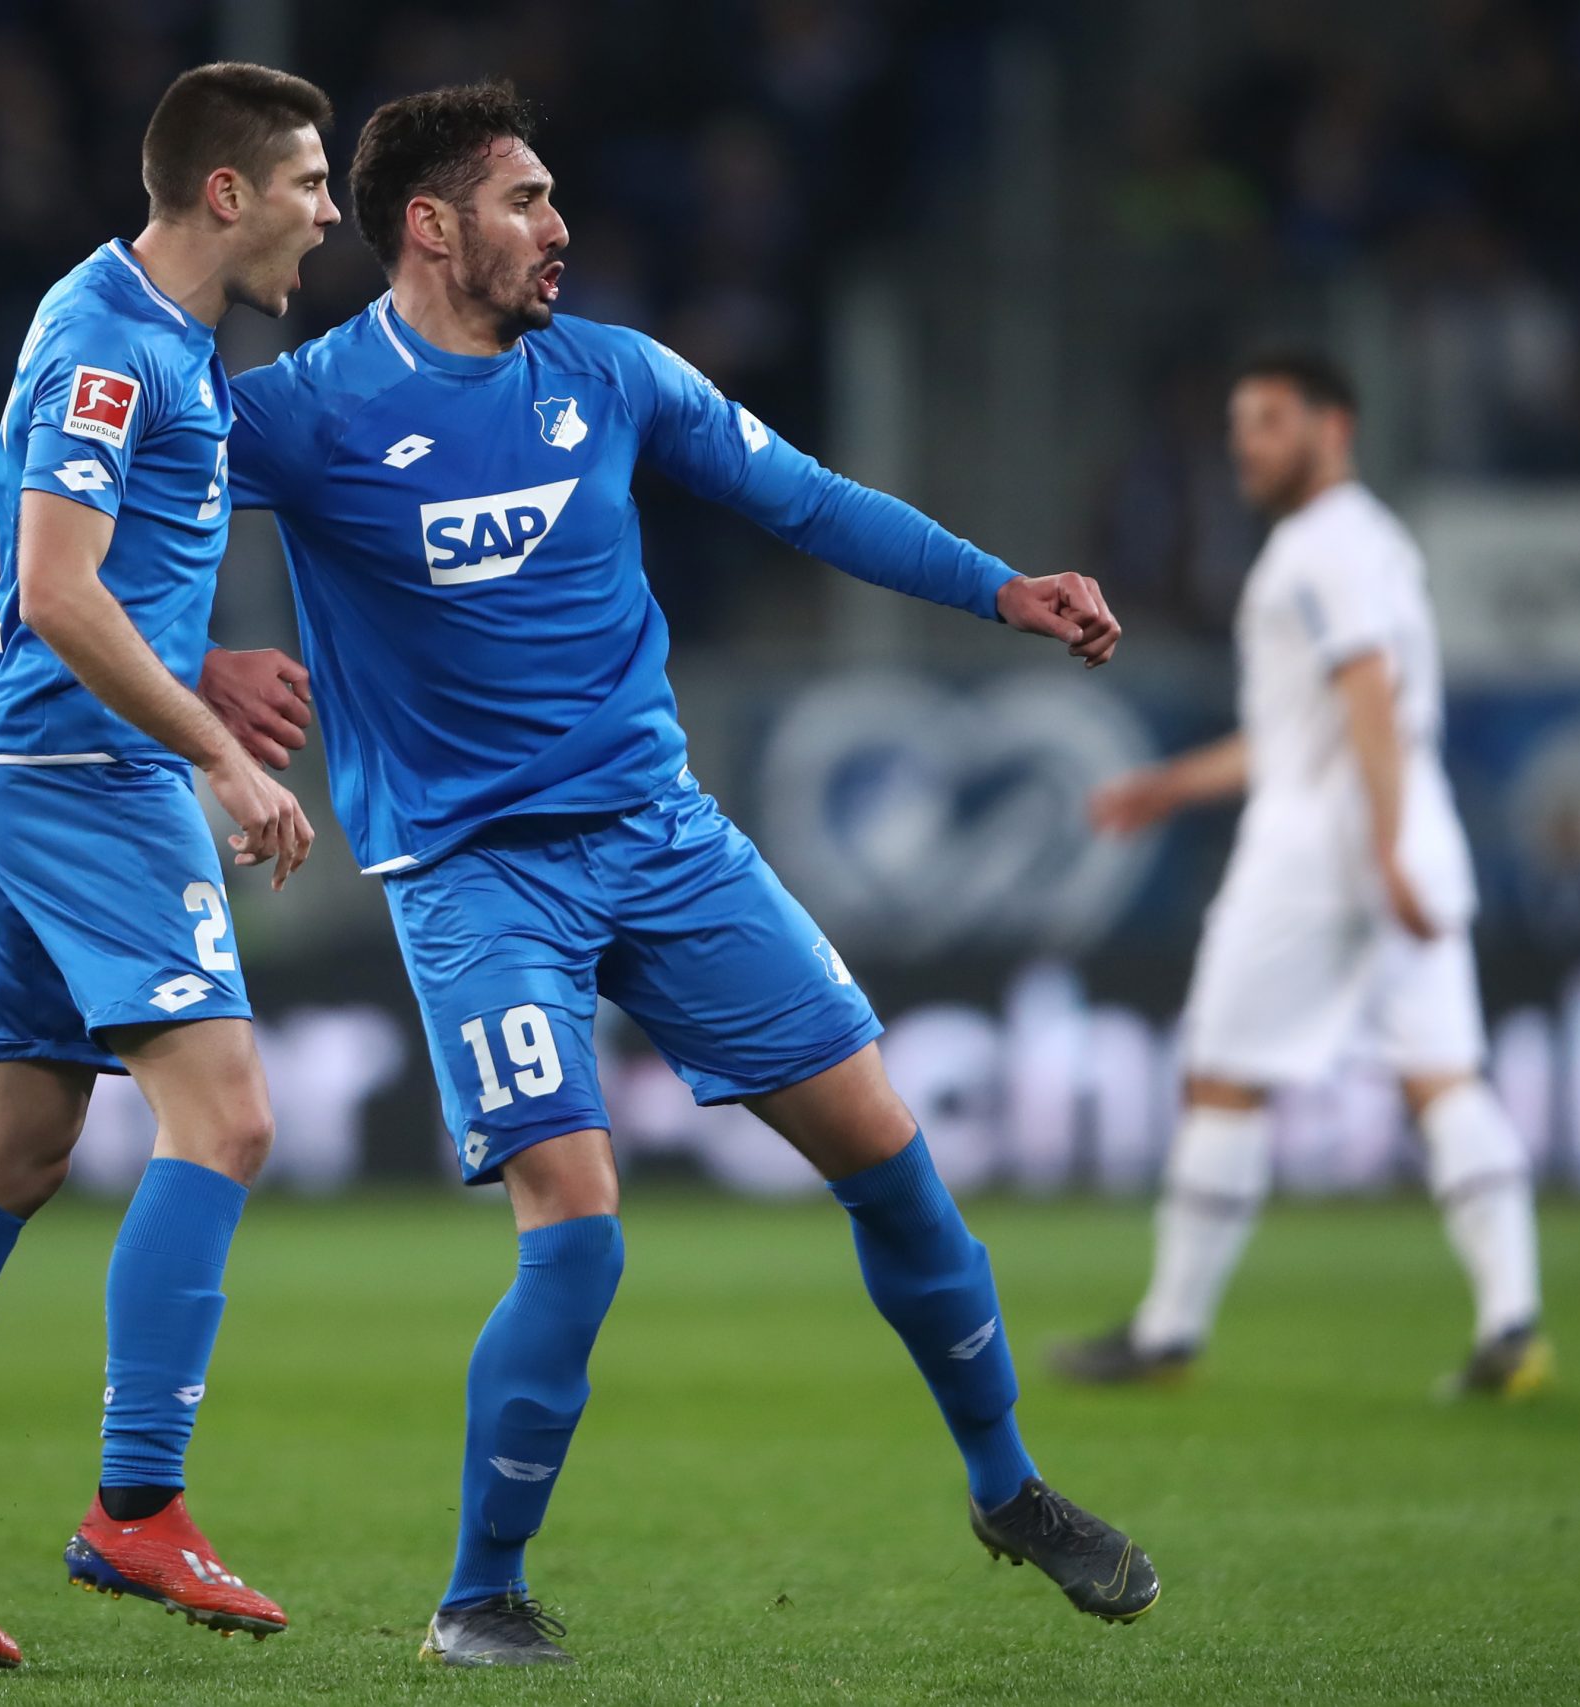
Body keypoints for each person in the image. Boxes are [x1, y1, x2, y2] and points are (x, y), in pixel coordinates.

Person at [207, 79, 1157, 1669]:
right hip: (475, 872)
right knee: (578, 1220)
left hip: (662, 833)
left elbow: (806, 497)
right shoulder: (303, 411)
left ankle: (1010, 1488)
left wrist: (1000, 587)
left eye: (553, 196)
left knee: (892, 1158)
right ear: (429, 228)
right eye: (525, 201)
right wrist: (194, 675)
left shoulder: (613, 373)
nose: (559, 226)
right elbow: (91, 520)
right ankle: (479, 1593)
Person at [0, 63, 333, 1668]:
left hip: (17, 763)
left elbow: (98, 583)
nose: (328, 213)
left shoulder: (140, 323)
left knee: (15, 1145)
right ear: (227, 192)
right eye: (308, 182)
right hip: (83, 781)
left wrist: (193, 657)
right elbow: (54, 588)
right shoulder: (117, 346)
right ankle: (137, 1504)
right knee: (227, 1117)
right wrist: (219, 749)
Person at [1054, 351, 1550, 1402]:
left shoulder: (1321, 548)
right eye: (1241, 423)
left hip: (1319, 856)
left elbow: (1367, 691)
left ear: (1335, 428)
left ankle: (1168, 1332)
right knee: (1443, 1076)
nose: (1249, 443)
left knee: (1220, 1077)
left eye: (1272, 420)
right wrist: (1171, 787)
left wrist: (1377, 850)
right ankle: (1513, 1322)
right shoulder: (1374, 540)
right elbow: (1307, 730)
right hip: (1408, 831)